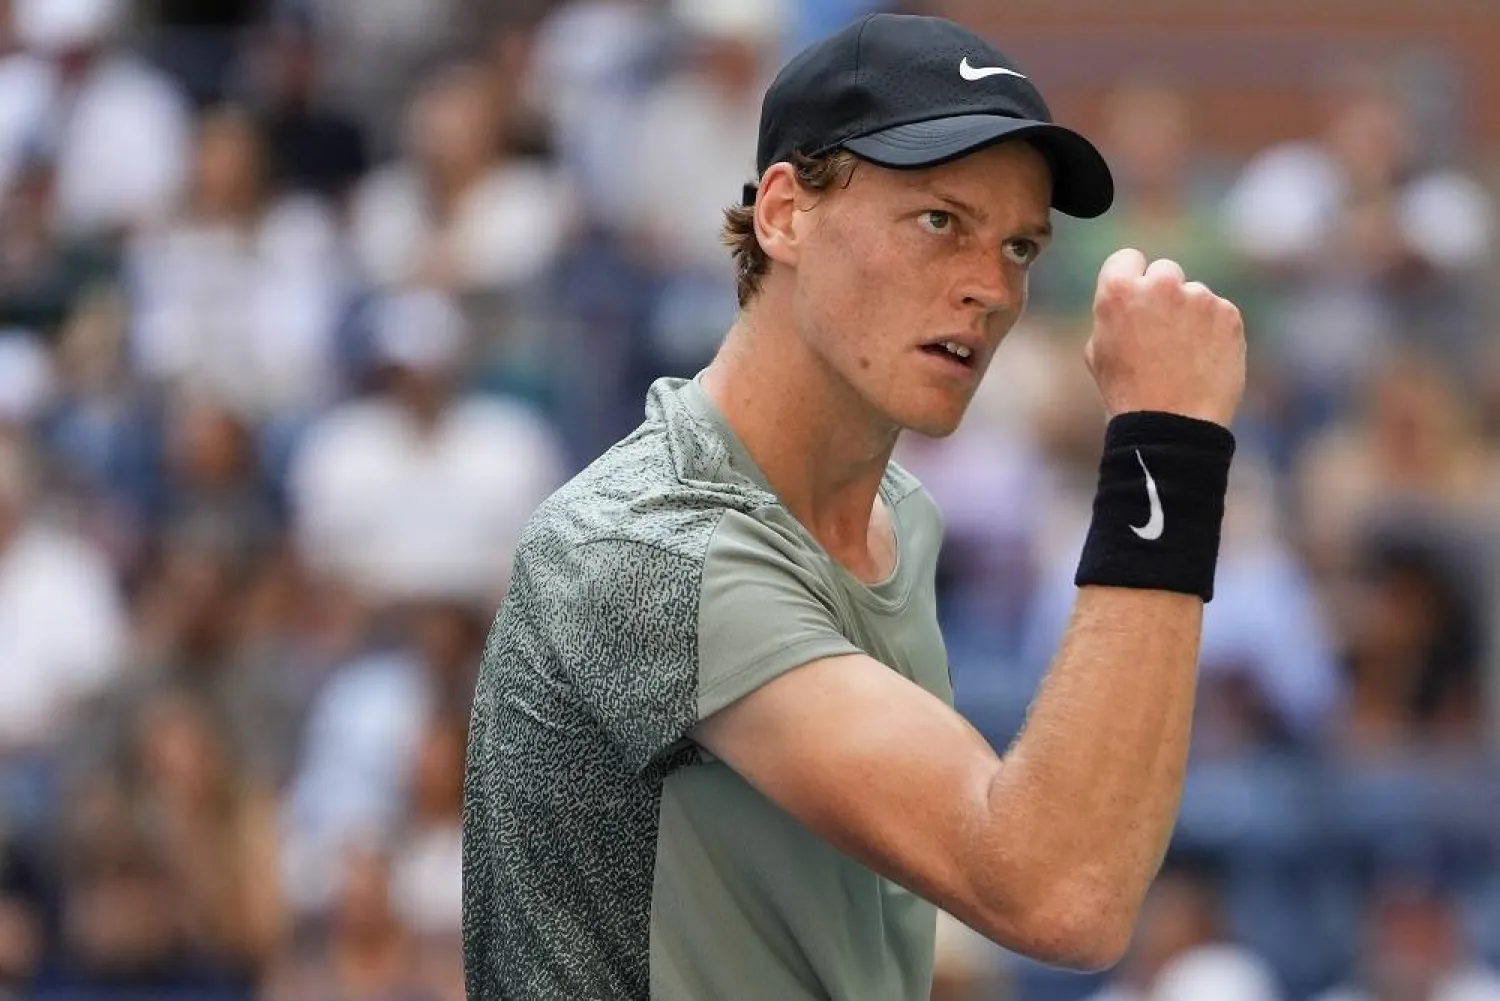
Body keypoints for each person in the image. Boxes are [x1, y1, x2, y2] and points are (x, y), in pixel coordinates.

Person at [462, 13, 1246, 1000]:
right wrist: (1168, 444)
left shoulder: (900, 520)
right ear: (784, 213)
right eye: (940, 222)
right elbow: (1061, 889)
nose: (991, 289)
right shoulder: (642, 545)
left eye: (1018, 247)